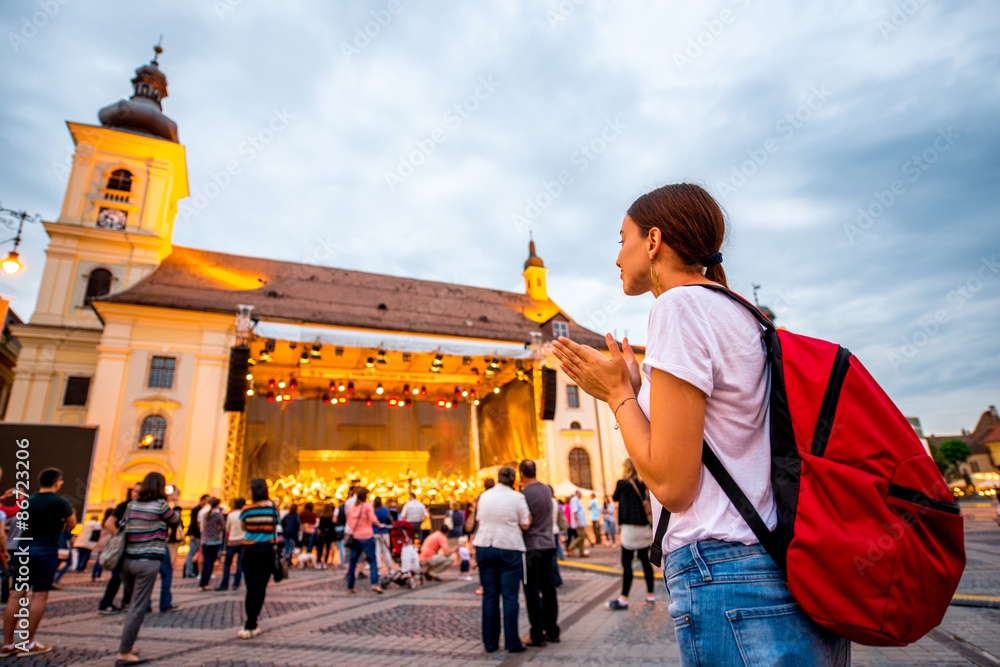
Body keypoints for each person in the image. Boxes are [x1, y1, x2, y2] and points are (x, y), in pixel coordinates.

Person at [552, 183, 851, 665]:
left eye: (620, 238)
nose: (616, 257)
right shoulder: (741, 312)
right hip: (777, 565)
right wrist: (635, 390)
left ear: (652, 241)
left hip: (727, 573)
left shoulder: (678, 305)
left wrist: (617, 395)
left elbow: (673, 484)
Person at [2, 467, 74, 657]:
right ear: (57, 482)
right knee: (39, 595)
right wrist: (57, 528)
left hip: (23, 549)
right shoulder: (61, 502)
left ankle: (7, 644)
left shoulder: (28, 501)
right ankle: (27, 642)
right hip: (46, 549)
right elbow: (72, 524)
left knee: (15, 595)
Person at [115, 471, 181, 665]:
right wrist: (173, 500)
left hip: (127, 561)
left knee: (131, 604)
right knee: (137, 607)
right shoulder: (161, 506)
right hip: (147, 561)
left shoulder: (132, 505)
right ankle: (124, 652)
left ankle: (129, 645)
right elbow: (175, 520)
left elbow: (123, 525)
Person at [473, 466, 530, 654]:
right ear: (514, 480)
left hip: (484, 545)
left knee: (489, 596)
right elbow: (525, 523)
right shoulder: (517, 497)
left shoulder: (484, 496)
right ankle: (511, 642)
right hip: (508, 546)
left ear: (498, 478)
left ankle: (490, 643)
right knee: (510, 597)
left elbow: (479, 518)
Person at [519, 459, 559, 648]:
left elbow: (523, 521)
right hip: (549, 544)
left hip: (532, 546)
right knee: (549, 589)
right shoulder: (546, 490)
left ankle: (537, 634)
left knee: (532, 591)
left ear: (521, 474)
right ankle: (553, 631)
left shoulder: (523, 494)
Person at [607, 460, 656, 610]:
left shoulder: (621, 484)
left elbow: (614, 497)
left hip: (629, 529)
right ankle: (650, 596)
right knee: (645, 562)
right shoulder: (641, 484)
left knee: (627, 563)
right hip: (643, 529)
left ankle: (624, 599)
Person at [239, 479, 278, 639]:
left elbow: (243, 527)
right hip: (267, 550)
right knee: (260, 588)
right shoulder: (273, 510)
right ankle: (251, 623)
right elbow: (276, 526)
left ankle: (249, 624)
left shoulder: (246, 509)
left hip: (249, 550)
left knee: (250, 587)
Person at [344, 487, 385, 594]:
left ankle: (350, 586)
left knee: (353, 562)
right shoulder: (367, 506)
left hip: (355, 537)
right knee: (372, 561)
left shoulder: (352, 507)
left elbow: (349, 522)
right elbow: (372, 519)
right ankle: (374, 584)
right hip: (367, 537)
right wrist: (380, 525)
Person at [217, 498, 246, 590]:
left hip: (232, 541)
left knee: (227, 563)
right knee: (240, 564)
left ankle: (224, 584)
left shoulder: (231, 515)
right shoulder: (244, 515)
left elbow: (227, 528)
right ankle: (236, 584)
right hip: (242, 541)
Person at [199, 498, 224, 591]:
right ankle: (205, 583)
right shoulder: (218, 515)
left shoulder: (205, 514)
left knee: (206, 562)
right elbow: (223, 526)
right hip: (214, 541)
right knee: (210, 563)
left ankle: (202, 583)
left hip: (205, 541)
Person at [183, 494, 209, 578]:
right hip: (195, 535)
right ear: (203, 500)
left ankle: (192, 571)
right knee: (192, 553)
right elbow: (193, 523)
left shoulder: (202, 510)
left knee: (197, 554)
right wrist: (191, 534)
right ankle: (188, 572)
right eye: (207, 500)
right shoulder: (196, 510)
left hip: (199, 535)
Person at [91, 508, 115, 581]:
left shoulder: (102, 521)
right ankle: (98, 576)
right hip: (106, 541)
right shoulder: (110, 521)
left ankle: (93, 576)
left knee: (99, 559)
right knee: (102, 560)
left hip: (101, 540)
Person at [371, 497, 392, 574]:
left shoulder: (373, 510)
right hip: (384, 531)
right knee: (386, 550)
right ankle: (389, 568)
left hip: (375, 532)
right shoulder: (385, 509)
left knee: (377, 551)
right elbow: (389, 518)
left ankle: (378, 569)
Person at [566, 490, 589, 557]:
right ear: (577, 493)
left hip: (581, 521)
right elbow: (575, 511)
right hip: (579, 521)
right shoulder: (574, 500)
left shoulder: (577, 500)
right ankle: (571, 547)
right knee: (581, 536)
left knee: (582, 537)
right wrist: (578, 521)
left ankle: (581, 552)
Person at [316, 504, 335, 570]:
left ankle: (319, 561)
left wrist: (319, 534)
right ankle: (325, 562)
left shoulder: (322, 517)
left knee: (320, 548)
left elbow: (320, 527)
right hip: (329, 534)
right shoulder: (332, 517)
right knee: (327, 548)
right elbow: (333, 526)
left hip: (323, 534)